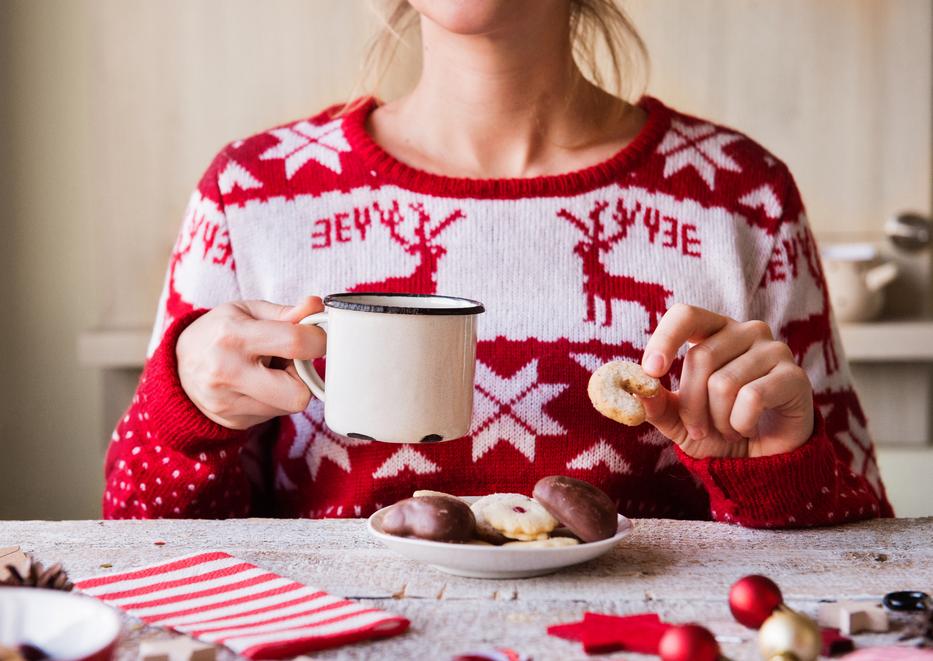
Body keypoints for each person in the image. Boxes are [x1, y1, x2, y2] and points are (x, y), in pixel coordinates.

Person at [103, 0, 892, 526]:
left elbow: (860, 566)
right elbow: (141, 551)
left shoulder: (740, 194)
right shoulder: (252, 194)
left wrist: (775, 468)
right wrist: (184, 415)